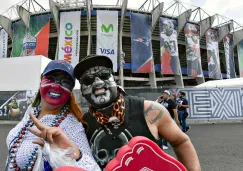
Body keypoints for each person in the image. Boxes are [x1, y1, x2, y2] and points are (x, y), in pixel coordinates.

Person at [73, 55, 201, 170]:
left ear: (114, 80)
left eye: (104, 75)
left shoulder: (150, 111)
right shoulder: (83, 124)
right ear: (82, 91)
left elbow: (181, 142)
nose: (99, 82)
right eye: (88, 80)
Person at [5, 60, 100, 171]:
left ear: (70, 91)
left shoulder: (71, 126)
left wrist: (76, 155)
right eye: (51, 79)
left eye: (65, 83)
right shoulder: (32, 110)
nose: (57, 86)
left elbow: (93, 169)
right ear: (41, 80)